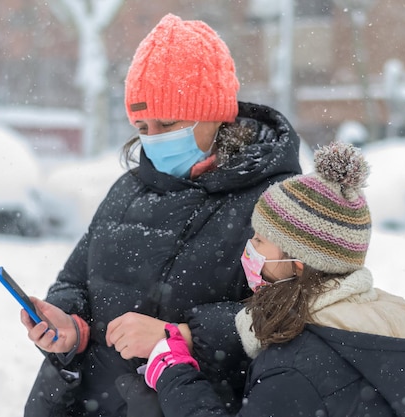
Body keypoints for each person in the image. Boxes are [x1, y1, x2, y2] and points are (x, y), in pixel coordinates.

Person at [20, 13, 302, 417]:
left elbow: (291, 315)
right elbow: (75, 280)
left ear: (216, 112)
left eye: (168, 123)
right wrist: (69, 325)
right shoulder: (127, 189)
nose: (154, 138)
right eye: (142, 125)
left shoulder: (275, 200)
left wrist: (183, 336)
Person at [141, 141, 405, 417]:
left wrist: (175, 375)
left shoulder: (298, 367)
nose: (250, 249)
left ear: (298, 264)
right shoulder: (382, 335)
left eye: (260, 240)